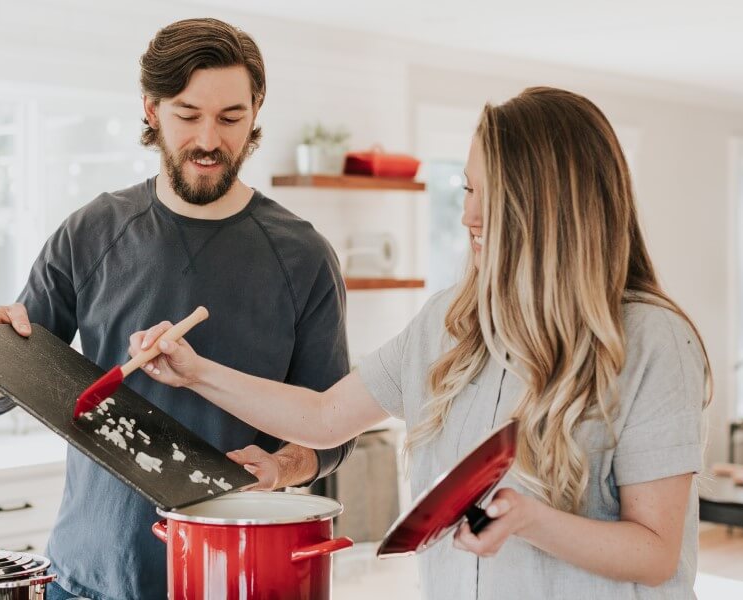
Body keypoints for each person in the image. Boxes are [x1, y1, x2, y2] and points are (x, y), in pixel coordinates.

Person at [131, 87, 713, 598]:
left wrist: (529, 519)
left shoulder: (651, 340)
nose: (468, 215)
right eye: (466, 189)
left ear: (549, 207)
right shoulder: (449, 323)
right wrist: (195, 371)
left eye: (491, 195)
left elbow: (656, 553)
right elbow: (325, 415)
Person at [0, 18, 355, 600]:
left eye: (230, 118)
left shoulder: (303, 256)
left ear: (255, 112)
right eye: (188, 115)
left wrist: (285, 467)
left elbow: (332, 426)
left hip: (233, 577)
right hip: (87, 576)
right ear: (151, 109)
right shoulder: (91, 232)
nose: (208, 140)